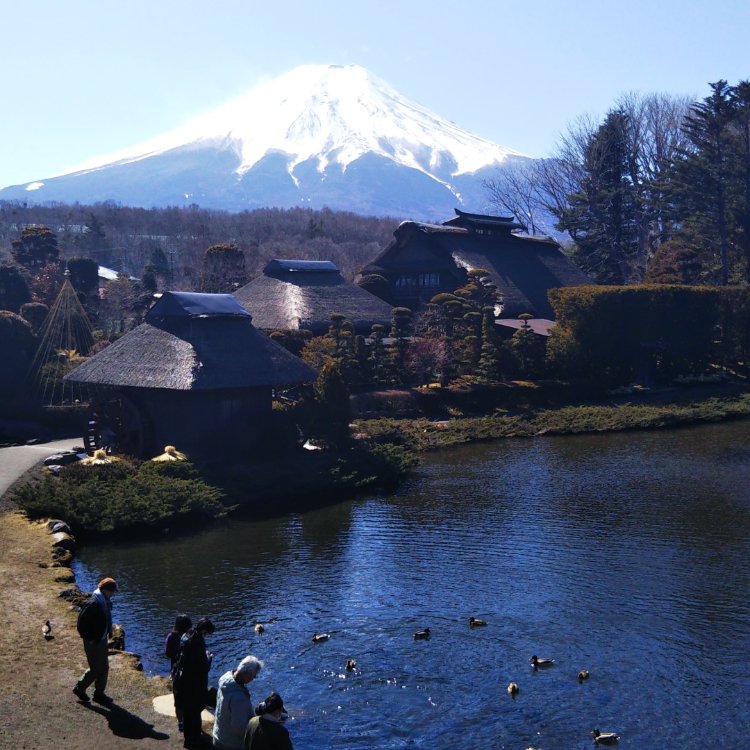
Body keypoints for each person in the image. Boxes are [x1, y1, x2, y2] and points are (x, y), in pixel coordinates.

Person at [73, 577, 118, 705]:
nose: (114, 594)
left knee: (104, 667)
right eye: (113, 591)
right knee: (96, 668)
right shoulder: (94, 603)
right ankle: (80, 688)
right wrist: (90, 639)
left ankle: (99, 694)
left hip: (101, 639)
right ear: (106, 590)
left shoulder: (104, 600)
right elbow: (81, 624)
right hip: (93, 641)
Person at [173, 617, 215, 749]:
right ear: (203, 631)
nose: (206, 636)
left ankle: (187, 738)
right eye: (207, 633)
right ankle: (195, 740)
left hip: (184, 682)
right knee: (195, 713)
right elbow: (203, 667)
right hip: (195, 684)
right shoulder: (198, 642)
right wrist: (208, 658)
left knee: (187, 712)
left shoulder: (186, 637)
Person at [212, 655, 263, 750]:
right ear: (248, 673)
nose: (253, 679)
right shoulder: (239, 698)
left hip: (218, 734)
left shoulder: (225, 678)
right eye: (254, 676)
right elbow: (239, 727)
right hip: (231, 744)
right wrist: (254, 737)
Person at [165, 614, 193, 732]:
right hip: (188, 672)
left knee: (178, 699)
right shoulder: (188, 637)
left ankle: (180, 722)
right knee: (189, 697)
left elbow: (167, 653)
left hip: (175, 671)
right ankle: (189, 720)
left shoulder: (171, 637)